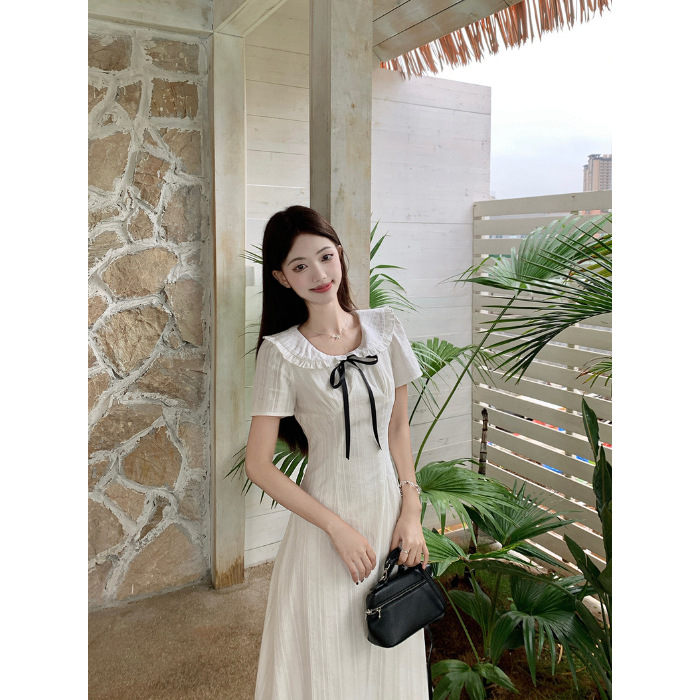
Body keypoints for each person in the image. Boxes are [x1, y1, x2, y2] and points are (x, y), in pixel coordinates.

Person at [246, 205, 430, 699]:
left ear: (341, 255)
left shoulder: (385, 329)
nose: (319, 274)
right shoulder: (281, 352)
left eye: (325, 257)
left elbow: (398, 428)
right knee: (328, 653)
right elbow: (258, 465)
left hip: (388, 514)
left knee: (388, 642)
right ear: (281, 278)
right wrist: (336, 528)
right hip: (325, 527)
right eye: (300, 265)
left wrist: (411, 509)